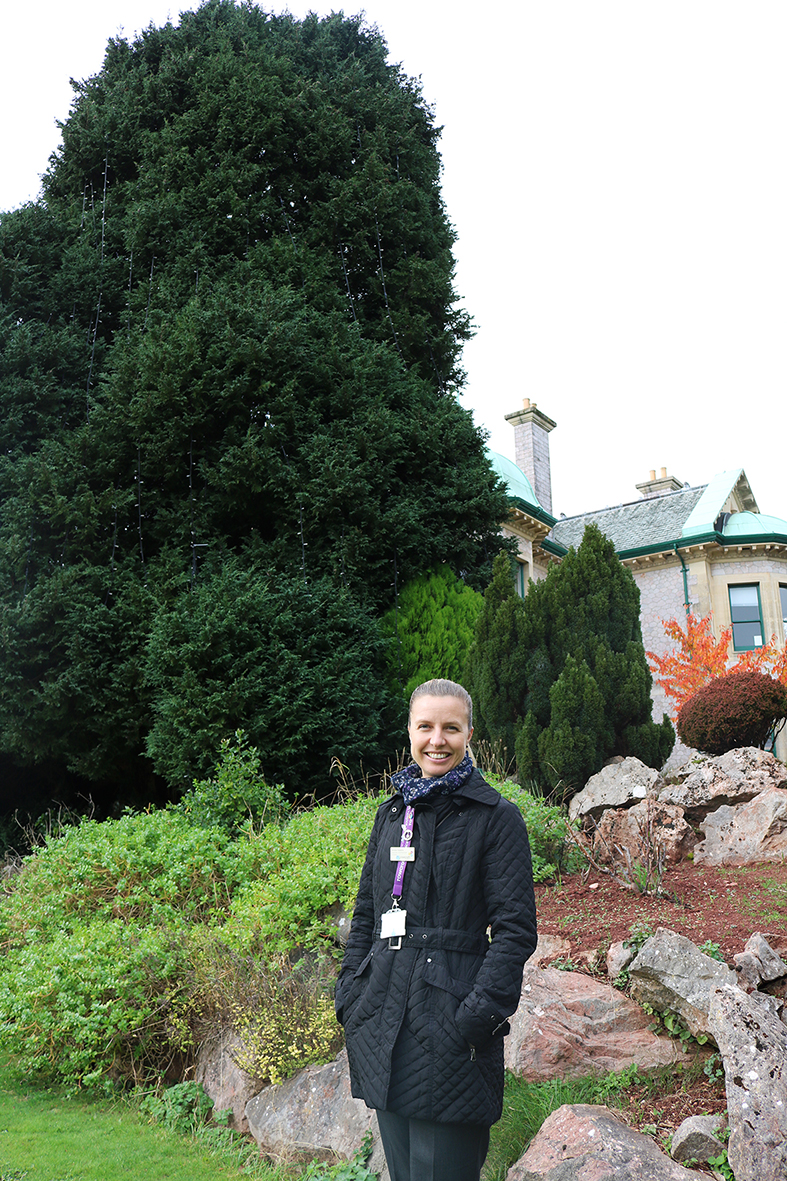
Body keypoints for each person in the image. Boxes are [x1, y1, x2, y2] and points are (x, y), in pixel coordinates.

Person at [335, 678, 537, 1181]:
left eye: (451, 727)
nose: (437, 740)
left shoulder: (496, 817)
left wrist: (479, 1014)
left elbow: (515, 930)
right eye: (425, 726)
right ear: (409, 731)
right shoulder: (391, 814)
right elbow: (367, 913)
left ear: (469, 732)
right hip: (384, 1018)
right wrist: (350, 993)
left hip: (453, 1026)